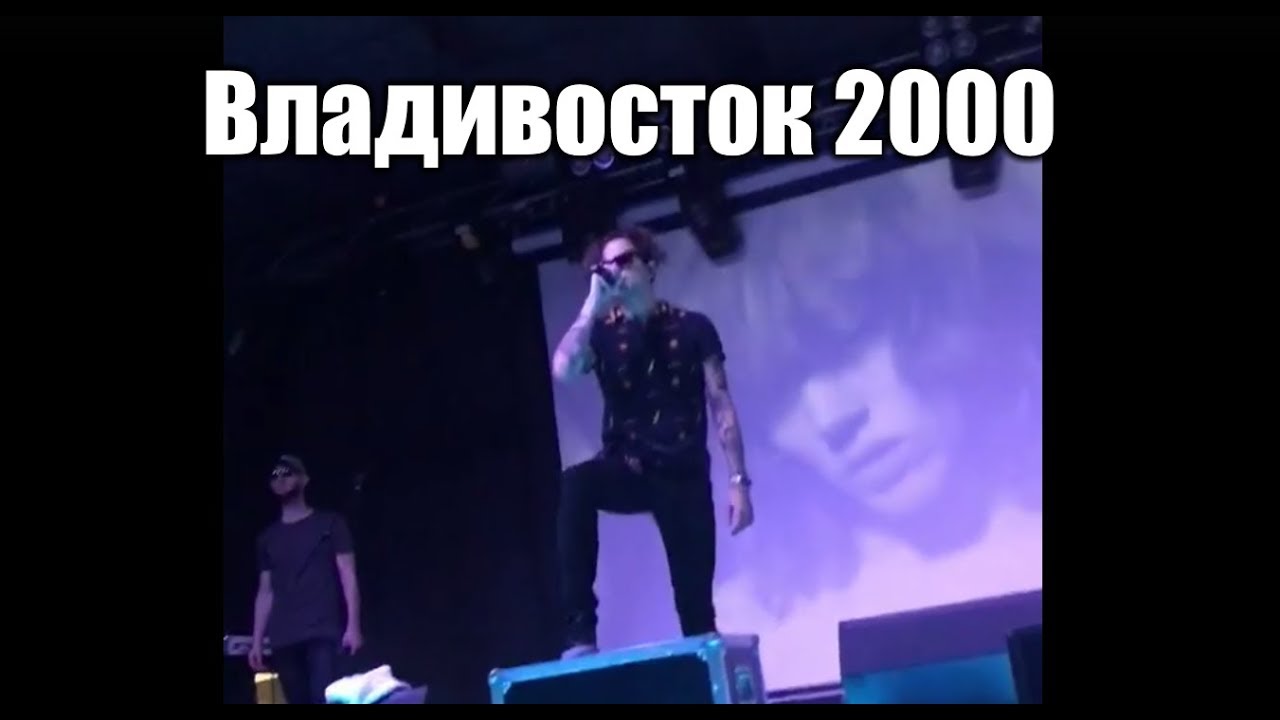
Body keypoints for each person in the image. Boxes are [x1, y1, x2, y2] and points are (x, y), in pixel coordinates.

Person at [550, 226, 756, 659]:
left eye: (625, 261)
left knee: (696, 611)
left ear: (649, 266)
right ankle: (580, 632)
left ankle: (705, 674)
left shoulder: (693, 327)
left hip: (683, 474)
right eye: (606, 267)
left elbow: (721, 403)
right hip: (629, 466)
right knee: (577, 484)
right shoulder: (602, 332)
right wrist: (591, 306)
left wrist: (738, 480)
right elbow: (563, 370)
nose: (616, 271)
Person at [248, 454, 364, 704]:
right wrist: (257, 641)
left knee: (323, 695)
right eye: (275, 475)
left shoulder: (330, 523)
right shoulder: (267, 538)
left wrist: (353, 625)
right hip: (284, 635)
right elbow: (265, 591)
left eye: (287, 473)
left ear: (304, 479)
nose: (280, 479)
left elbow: (348, 574)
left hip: (322, 629)